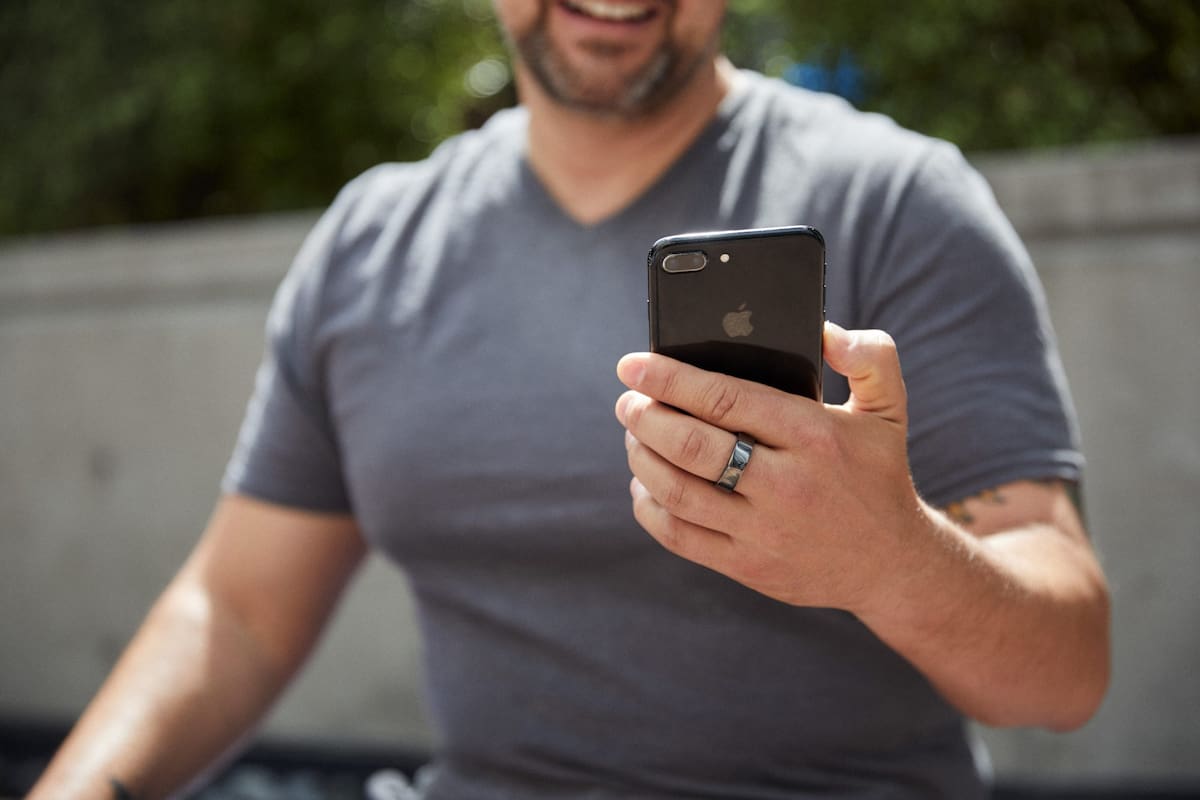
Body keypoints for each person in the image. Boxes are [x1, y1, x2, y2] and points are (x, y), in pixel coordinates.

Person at [30, 1, 1110, 798]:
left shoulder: (900, 204)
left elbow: (1066, 668)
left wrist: (892, 558)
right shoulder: (371, 245)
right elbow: (239, 613)